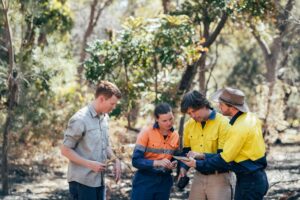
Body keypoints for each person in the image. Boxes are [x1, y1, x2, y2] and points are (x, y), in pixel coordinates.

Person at [181, 87, 269, 200]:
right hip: (253, 177)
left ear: (231, 107)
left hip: (248, 181)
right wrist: (201, 156)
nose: (219, 106)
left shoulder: (237, 128)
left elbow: (224, 159)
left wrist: (197, 164)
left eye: (221, 104)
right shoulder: (251, 118)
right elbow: (230, 155)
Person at [61, 80, 122, 200]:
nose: (114, 107)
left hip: (99, 181)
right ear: (101, 99)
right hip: (82, 182)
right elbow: (65, 150)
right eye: (112, 104)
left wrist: (115, 160)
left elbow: (106, 144)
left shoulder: (104, 117)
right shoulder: (80, 119)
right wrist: (89, 164)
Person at [179, 90, 232, 200]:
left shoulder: (223, 123)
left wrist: (199, 158)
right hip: (198, 176)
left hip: (220, 177)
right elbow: (187, 151)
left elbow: (224, 158)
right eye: (189, 113)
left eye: (194, 111)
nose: (192, 115)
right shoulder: (189, 125)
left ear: (203, 105)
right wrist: (184, 168)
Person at [131, 103, 179, 200]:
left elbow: (175, 157)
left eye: (170, 119)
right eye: (164, 120)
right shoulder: (146, 133)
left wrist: (174, 163)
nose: (169, 123)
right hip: (145, 181)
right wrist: (156, 162)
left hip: (164, 182)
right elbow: (135, 161)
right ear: (157, 119)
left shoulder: (176, 135)